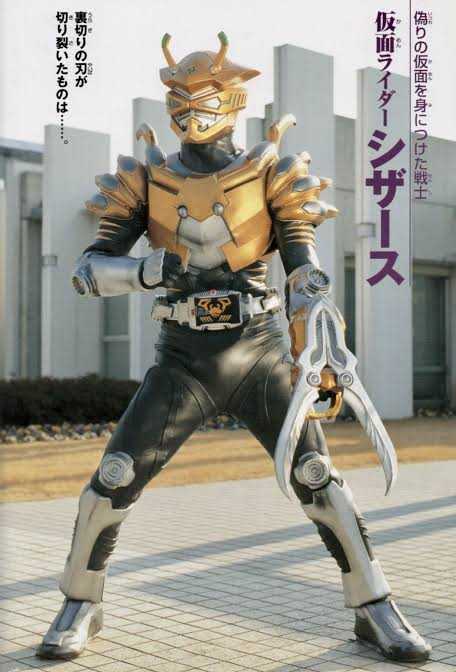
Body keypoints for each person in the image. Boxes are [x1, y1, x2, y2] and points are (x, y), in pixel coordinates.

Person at [37, 33, 430, 663]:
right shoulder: (146, 179)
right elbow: (87, 270)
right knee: (112, 478)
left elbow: (304, 268)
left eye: (204, 97)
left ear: (233, 99)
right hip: (182, 359)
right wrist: (144, 272)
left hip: (260, 351)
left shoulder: (271, 171)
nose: (191, 111)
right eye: (180, 99)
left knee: (319, 479)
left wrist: (320, 338)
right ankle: (81, 603)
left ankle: (375, 605)